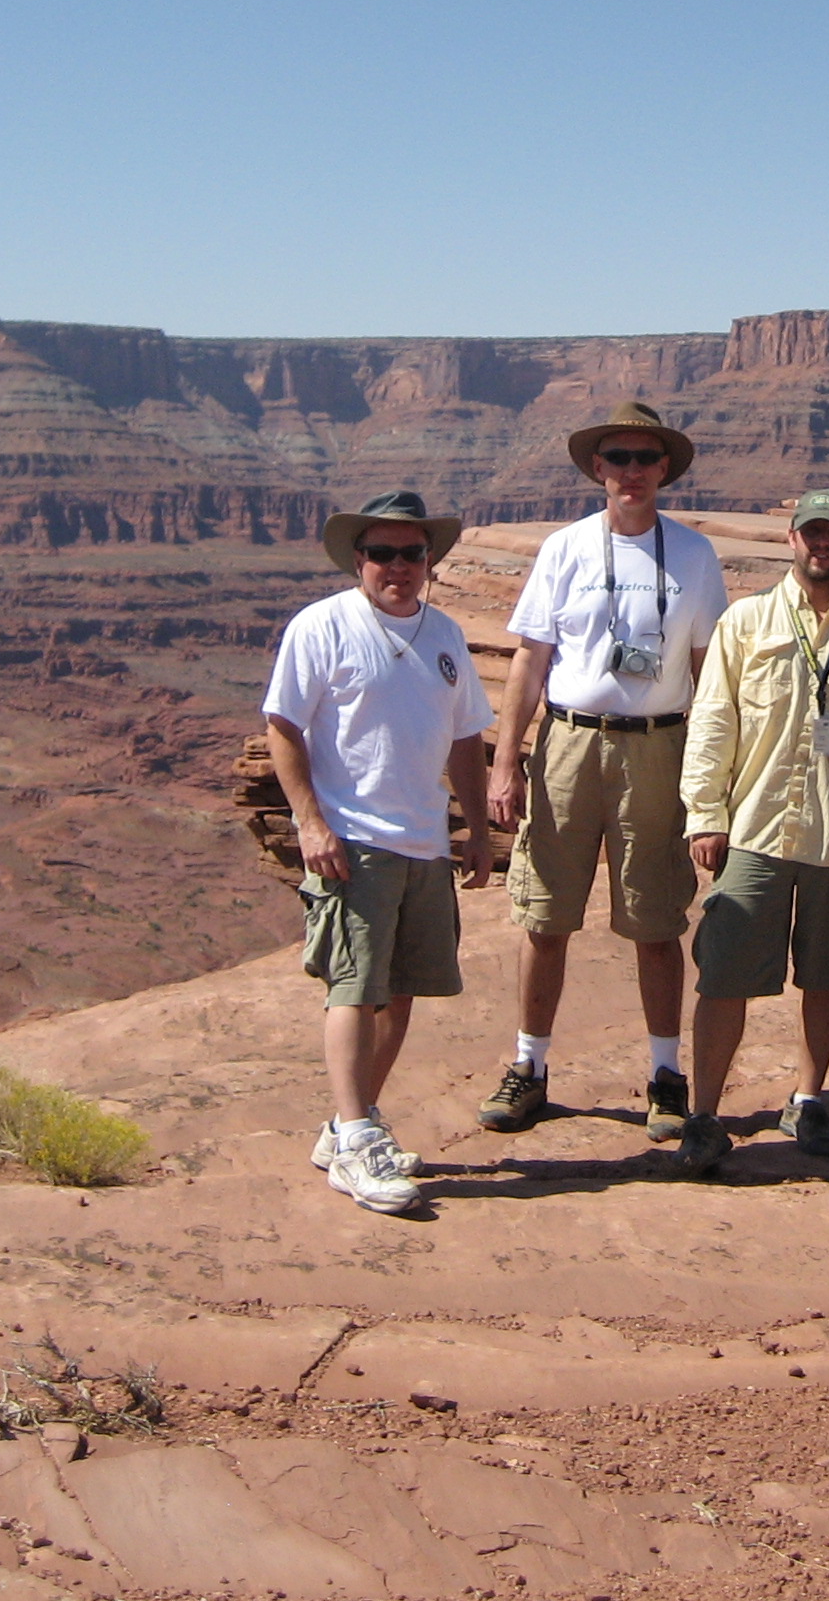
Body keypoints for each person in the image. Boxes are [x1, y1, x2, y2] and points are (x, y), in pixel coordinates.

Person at [481, 402, 730, 1140]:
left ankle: (665, 1075)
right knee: (545, 915)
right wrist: (505, 763)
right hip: (568, 743)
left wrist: (715, 779)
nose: (632, 471)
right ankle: (529, 1067)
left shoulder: (694, 555)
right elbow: (530, 659)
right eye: (618, 458)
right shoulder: (564, 549)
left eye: (645, 458)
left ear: (664, 469)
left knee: (656, 919)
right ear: (597, 468)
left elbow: (708, 672)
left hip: (659, 748)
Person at [676, 490, 829, 1174]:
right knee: (723, 974)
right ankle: (704, 1114)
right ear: (791, 539)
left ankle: (809, 1098)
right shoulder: (746, 621)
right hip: (754, 830)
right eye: (811, 531)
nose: (823, 543)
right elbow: (713, 721)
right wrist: (705, 814)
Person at [263, 491, 495, 1214]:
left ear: (429, 560)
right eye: (382, 554)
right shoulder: (322, 626)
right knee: (354, 987)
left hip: (423, 840)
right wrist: (311, 823)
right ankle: (358, 1140)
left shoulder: (445, 634)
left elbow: (465, 737)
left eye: (411, 553)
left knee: (399, 990)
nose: (398, 566)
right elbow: (282, 726)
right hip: (353, 840)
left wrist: (476, 829)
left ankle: (348, 1125)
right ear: (357, 560)